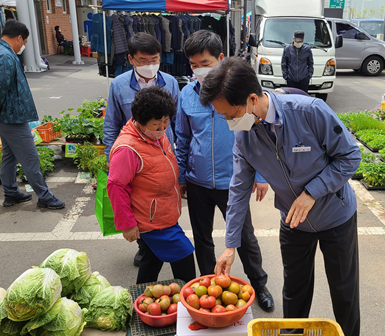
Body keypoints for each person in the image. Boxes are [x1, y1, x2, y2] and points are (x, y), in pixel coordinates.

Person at [200, 57, 361, 336]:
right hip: (293, 222)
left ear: (252, 99)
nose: (228, 123)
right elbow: (238, 190)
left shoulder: (309, 111)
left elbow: (350, 156)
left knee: (344, 292)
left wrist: (312, 192)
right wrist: (230, 245)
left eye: (230, 114)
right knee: (294, 293)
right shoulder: (245, 136)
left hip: (336, 217)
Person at [176, 30, 274, 312]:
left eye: (205, 63)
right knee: (202, 239)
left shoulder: (238, 93)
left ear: (220, 59)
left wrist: (260, 175)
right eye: (194, 65)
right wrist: (182, 177)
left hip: (234, 182)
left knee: (244, 238)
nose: (199, 70)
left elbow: (258, 134)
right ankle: (210, 284)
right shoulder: (187, 95)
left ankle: (259, 283)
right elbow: (182, 139)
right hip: (198, 182)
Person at [103, 32, 180, 267]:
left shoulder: (171, 83)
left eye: (154, 60)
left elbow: (176, 124)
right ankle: (145, 246)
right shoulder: (118, 85)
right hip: (134, 158)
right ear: (131, 59)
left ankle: (159, 246)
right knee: (139, 203)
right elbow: (112, 123)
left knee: (163, 200)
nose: (149, 65)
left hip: (163, 154)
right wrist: (110, 155)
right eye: (143, 61)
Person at [107, 86, 196, 284]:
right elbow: (115, 186)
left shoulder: (155, 135)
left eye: (166, 122)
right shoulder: (127, 149)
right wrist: (127, 225)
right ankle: (190, 304)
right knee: (184, 258)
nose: (162, 129)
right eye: (156, 124)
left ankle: (139, 302)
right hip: (152, 222)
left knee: (151, 260)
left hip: (163, 215)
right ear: (140, 120)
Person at [0, 20, 65, 210]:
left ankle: (11, 193)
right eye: (24, 42)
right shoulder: (5, 56)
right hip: (12, 116)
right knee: (30, 156)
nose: (23, 46)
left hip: (5, 115)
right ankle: (44, 196)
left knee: (9, 155)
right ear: (19, 37)